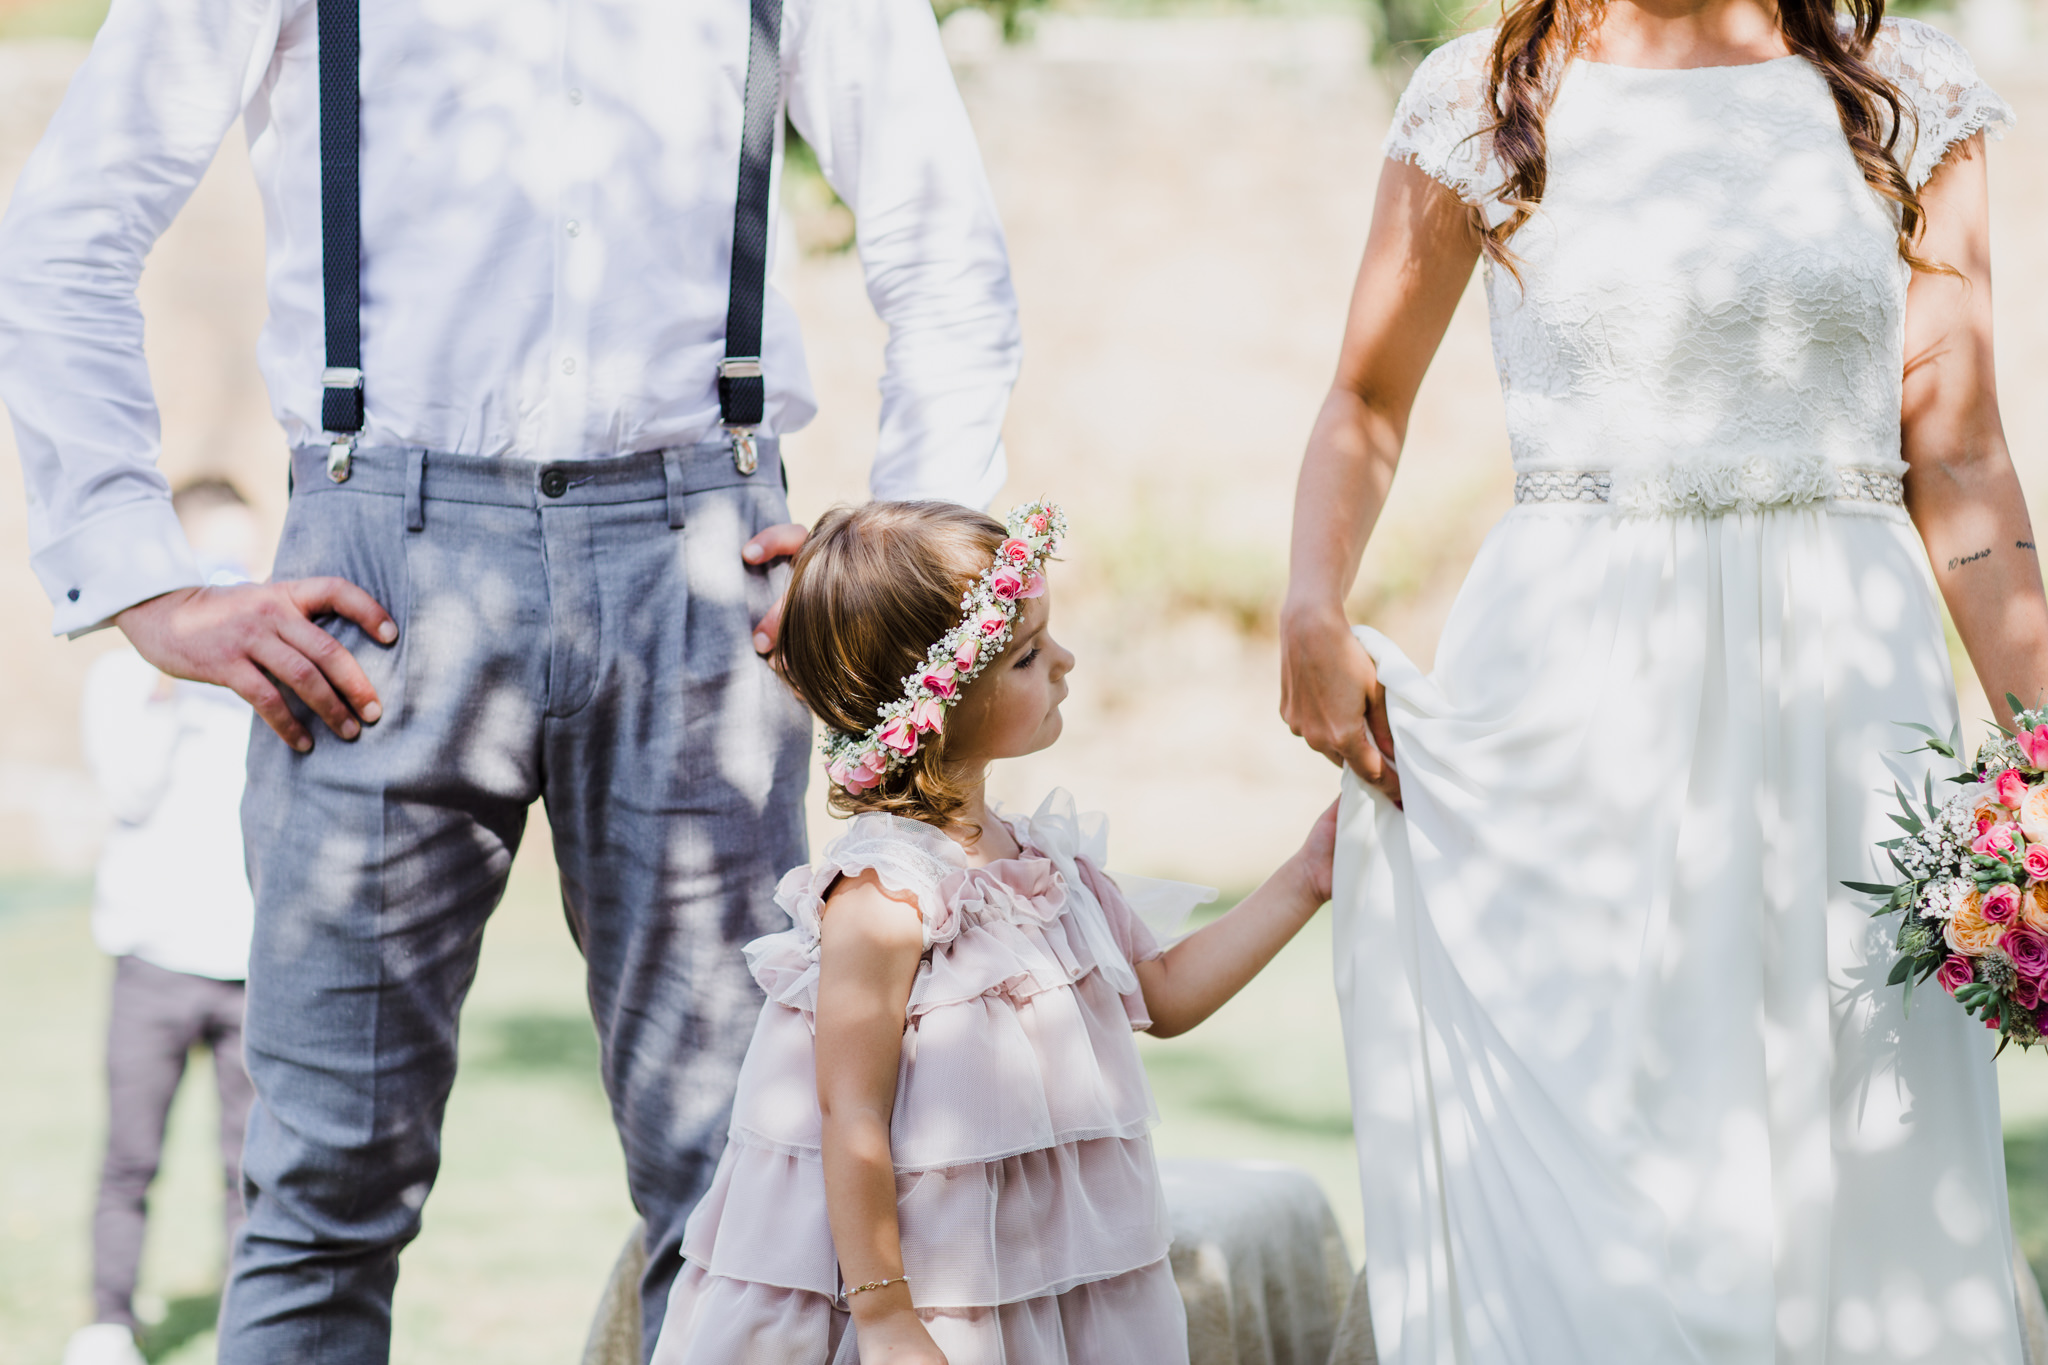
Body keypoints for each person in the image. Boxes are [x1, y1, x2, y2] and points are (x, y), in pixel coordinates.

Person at [0, 0, 1022, 1358]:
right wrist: (137, 576)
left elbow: (940, 235)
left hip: (709, 578)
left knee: (739, 1196)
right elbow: (69, 227)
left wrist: (903, 569)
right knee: (319, 1194)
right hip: (374, 577)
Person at [1279, 0, 2043, 1355]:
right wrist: (1310, 599)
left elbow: (1965, 449)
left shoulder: (1906, 91)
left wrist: (2039, 739)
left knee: (1860, 1140)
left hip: (1846, 689)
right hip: (1577, 682)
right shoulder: (1485, 96)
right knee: (1612, 1135)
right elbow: (1366, 397)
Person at [648, 499, 1338, 1365]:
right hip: (932, 1292)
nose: (1066, 662)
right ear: (936, 705)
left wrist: (1309, 876)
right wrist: (888, 1318)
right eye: (1026, 654)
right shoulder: (883, 897)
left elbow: (1161, 995)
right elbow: (848, 1110)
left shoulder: (1047, 863)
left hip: (1051, 1278)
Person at [64, 480, 260, 1365]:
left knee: (250, 1167)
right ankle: (109, 1318)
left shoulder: (267, 679)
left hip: (250, 960)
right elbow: (129, 789)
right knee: (130, 1153)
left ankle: (247, 1321)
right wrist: (164, 676)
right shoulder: (119, 677)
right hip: (151, 952)